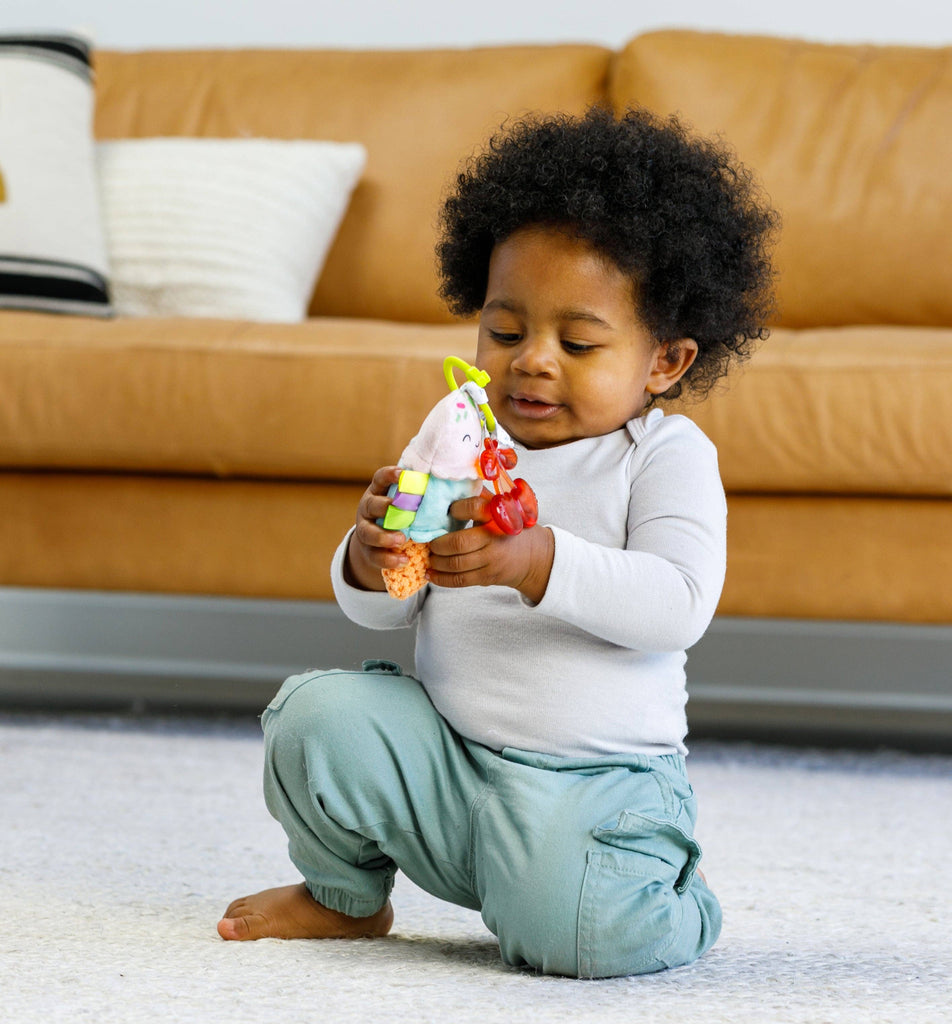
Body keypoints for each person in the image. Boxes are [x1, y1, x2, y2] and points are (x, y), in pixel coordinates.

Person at [217, 106, 777, 978]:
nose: (532, 361)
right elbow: (379, 612)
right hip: (449, 765)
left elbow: (678, 604)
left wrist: (536, 560)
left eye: (579, 342)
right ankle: (344, 896)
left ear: (664, 362)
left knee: (575, 940)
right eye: (505, 332)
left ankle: (664, 896)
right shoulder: (463, 438)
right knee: (315, 717)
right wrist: (370, 558)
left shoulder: (662, 457)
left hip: (593, 788)